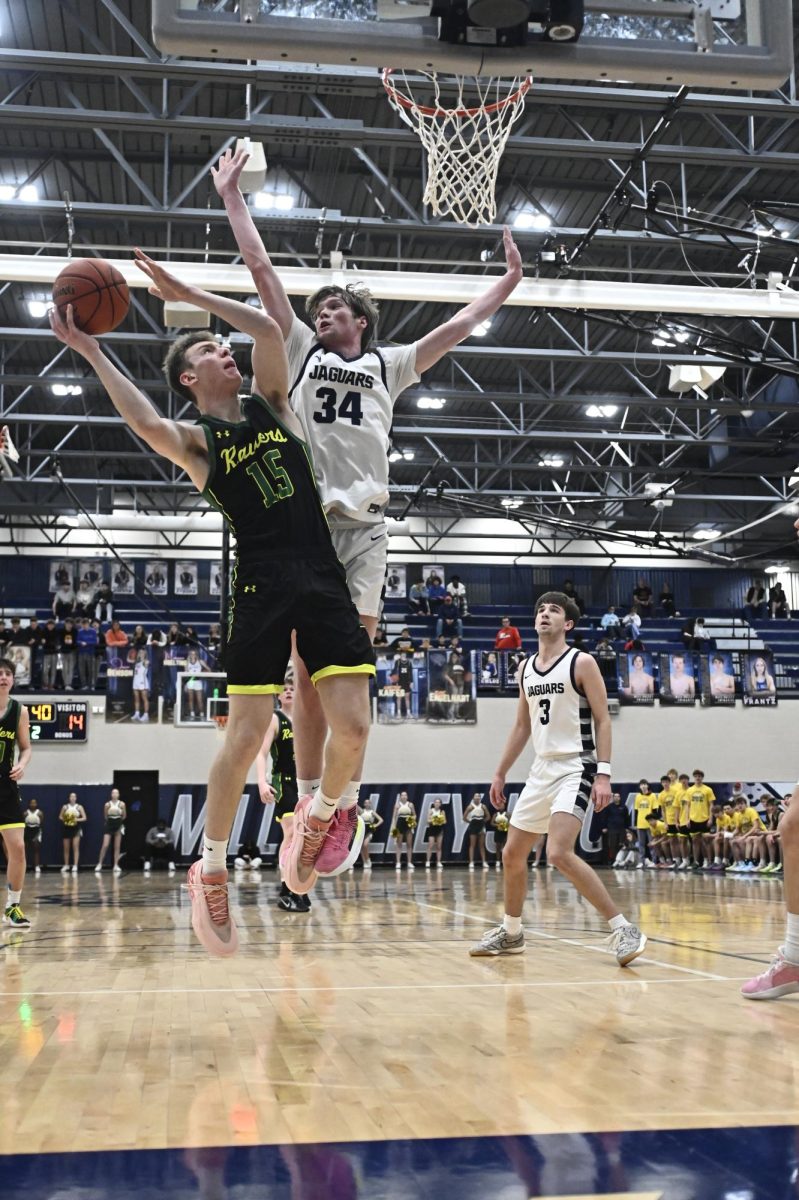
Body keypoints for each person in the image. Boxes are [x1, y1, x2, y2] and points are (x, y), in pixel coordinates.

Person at [50, 250, 375, 957]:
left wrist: (188, 293)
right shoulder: (201, 442)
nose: (221, 350)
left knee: (355, 728)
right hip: (258, 583)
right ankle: (213, 866)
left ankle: (315, 817)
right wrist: (92, 350)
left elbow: (263, 325)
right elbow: (143, 424)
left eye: (218, 344)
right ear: (189, 380)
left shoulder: (274, 404)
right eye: (205, 349)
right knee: (246, 734)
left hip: (321, 574)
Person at [213, 144, 521, 839]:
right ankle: (314, 803)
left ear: (358, 319)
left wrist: (508, 281)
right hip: (308, 532)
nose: (319, 312)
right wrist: (233, 197)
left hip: (368, 530)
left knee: (350, 677)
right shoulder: (298, 350)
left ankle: (339, 804)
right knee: (309, 683)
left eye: (331, 307)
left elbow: (459, 327)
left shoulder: (391, 362)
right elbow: (262, 271)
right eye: (316, 307)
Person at [469, 591, 646, 966]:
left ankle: (623, 928)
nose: (544, 614)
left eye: (554, 611)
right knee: (512, 853)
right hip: (540, 768)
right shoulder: (524, 668)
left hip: (576, 765)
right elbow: (522, 725)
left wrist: (603, 774)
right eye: (540, 610)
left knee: (558, 852)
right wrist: (500, 771)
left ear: (568, 624)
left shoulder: (581, 662)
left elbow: (602, 719)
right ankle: (512, 933)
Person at [256, 678, 309, 912]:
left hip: (303, 784)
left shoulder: (305, 720)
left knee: (304, 838)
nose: (288, 692)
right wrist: (261, 781)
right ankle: (286, 888)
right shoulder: (275, 719)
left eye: (292, 689)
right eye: (284, 690)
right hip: (282, 781)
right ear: (278, 696)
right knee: (290, 833)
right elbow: (261, 753)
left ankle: (299, 886)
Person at [0, 658, 32, 928]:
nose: (3, 677)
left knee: (18, 849)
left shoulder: (19, 711)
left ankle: (12, 907)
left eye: (8, 673)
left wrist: (21, 765)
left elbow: (26, 747)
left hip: (5, 787)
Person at [686, 769, 715, 869]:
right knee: (694, 841)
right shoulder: (689, 790)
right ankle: (696, 861)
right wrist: (687, 819)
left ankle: (708, 861)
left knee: (706, 841)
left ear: (702, 778)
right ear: (694, 778)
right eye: (696, 776)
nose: (698, 778)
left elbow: (711, 805)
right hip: (693, 819)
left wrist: (711, 818)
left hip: (705, 819)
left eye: (699, 776)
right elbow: (688, 806)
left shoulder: (708, 789)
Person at [95, 787, 126, 875]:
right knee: (105, 845)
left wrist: (118, 820)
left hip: (118, 825)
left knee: (117, 846)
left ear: (118, 795)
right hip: (109, 825)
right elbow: (105, 816)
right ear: (111, 795)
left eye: (116, 793)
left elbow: (124, 816)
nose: (115, 795)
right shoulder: (107, 805)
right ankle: (100, 863)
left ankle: (116, 865)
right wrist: (111, 820)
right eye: (113, 793)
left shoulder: (122, 804)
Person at [59, 790, 86, 874]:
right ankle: (66, 865)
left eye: (74, 796)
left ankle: (75, 865)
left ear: (76, 798)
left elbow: (84, 818)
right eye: (71, 796)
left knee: (75, 846)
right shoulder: (65, 807)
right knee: (66, 848)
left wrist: (75, 819)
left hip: (76, 828)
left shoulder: (79, 807)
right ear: (69, 798)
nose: (72, 798)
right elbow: (60, 816)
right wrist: (66, 819)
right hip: (66, 828)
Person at [464, 792, 490, 871]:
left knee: (481, 845)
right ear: (473, 798)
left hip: (481, 826)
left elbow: (488, 816)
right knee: (472, 845)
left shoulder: (483, 806)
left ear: (480, 798)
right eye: (476, 796)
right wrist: (471, 822)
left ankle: (484, 862)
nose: (477, 798)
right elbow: (464, 817)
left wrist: (482, 822)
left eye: (478, 796)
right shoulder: (470, 807)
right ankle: (471, 862)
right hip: (473, 826)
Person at [182, 647, 210, 721]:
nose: (193, 655)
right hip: (190, 681)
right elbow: (185, 672)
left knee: (199, 699)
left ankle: (201, 713)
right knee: (190, 698)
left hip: (198, 681)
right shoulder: (187, 662)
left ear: (197, 654)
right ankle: (192, 713)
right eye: (191, 654)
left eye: (194, 654)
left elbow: (209, 670)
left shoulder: (200, 661)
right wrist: (187, 663)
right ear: (189, 655)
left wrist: (201, 673)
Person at [392, 791, 416, 871]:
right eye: (402, 795)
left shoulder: (410, 804)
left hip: (408, 823)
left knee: (409, 844)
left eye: (405, 795)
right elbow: (394, 817)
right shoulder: (397, 805)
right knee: (399, 844)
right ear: (400, 797)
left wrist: (412, 820)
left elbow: (414, 815)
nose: (404, 796)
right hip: (400, 823)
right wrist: (394, 827)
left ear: (407, 796)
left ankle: (409, 862)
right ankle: (398, 862)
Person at [358, 795, 383, 870]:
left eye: (368, 803)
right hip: (362, 829)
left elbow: (381, 820)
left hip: (369, 830)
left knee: (365, 845)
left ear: (370, 804)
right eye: (366, 803)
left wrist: (375, 825)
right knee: (361, 846)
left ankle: (368, 860)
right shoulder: (361, 811)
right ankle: (364, 862)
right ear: (364, 804)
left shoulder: (372, 812)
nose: (367, 804)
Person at [76, 616, 99, 690]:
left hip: (90, 653)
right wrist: (81, 643)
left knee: (91, 669)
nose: (85, 625)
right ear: (82, 625)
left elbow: (95, 642)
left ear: (88, 624)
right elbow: (77, 641)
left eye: (86, 624)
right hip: (81, 653)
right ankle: (84, 685)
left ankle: (91, 685)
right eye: (83, 624)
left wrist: (86, 643)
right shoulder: (80, 631)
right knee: (81, 669)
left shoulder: (93, 631)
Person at [23, 797, 44, 876]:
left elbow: (41, 823)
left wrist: (38, 832)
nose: (33, 804)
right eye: (31, 803)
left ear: (36, 804)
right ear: (29, 804)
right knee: (24, 849)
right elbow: (23, 824)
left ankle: (37, 866)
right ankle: (24, 866)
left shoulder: (40, 813)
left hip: (36, 831)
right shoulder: (25, 813)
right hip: (27, 830)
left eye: (34, 803)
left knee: (36, 849)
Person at [425, 797, 447, 870]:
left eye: (438, 802)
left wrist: (440, 821)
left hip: (439, 829)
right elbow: (428, 820)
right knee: (430, 845)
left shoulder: (442, 811)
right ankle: (428, 861)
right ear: (434, 803)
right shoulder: (431, 811)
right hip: (432, 829)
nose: (437, 803)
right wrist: (434, 820)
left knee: (439, 846)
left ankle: (438, 861)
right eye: (436, 802)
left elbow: (445, 821)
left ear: (440, 804)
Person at [132, 648, 151, 721]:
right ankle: (137, 713)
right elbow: (129, 660)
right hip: (136, 681)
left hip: (143, 682)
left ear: (145, 654)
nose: (141, 654)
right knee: (136, 698)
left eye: (142, 653)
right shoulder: (137, 663)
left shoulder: (146, 661)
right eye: (140, 652)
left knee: (144, 698)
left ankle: (146, 715)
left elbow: (147, 664)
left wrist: (143, 657)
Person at [491, 799, 510, 871]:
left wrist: (505, 825)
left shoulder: (508, 814)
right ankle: (498, 861)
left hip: (505, 831)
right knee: (498, 847)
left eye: (502, 804)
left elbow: (511, 823)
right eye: (499, 805)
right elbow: (492, 823)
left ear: (504, 805)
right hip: (498, 831)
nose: (501, 806)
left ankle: (505, 861)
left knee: (505, 847)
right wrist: (498, 825)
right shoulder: (495, 814)